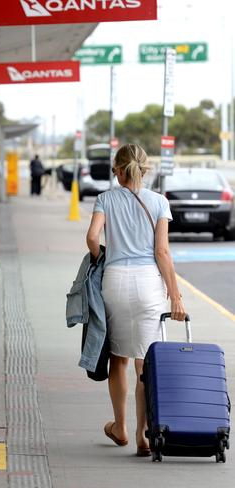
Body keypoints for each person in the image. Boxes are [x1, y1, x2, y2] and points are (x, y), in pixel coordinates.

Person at [85, 143, 186, 457]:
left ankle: (120, 427)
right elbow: (162, 252)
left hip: (115, 280)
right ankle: (143, 435)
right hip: (147, 283)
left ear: (117, 169)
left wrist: (100, 256)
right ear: (145, 169)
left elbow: (92, 237)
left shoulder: (105, 199)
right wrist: (176, 297)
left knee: (118, 357)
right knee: (145, 360)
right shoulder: (158, 202)